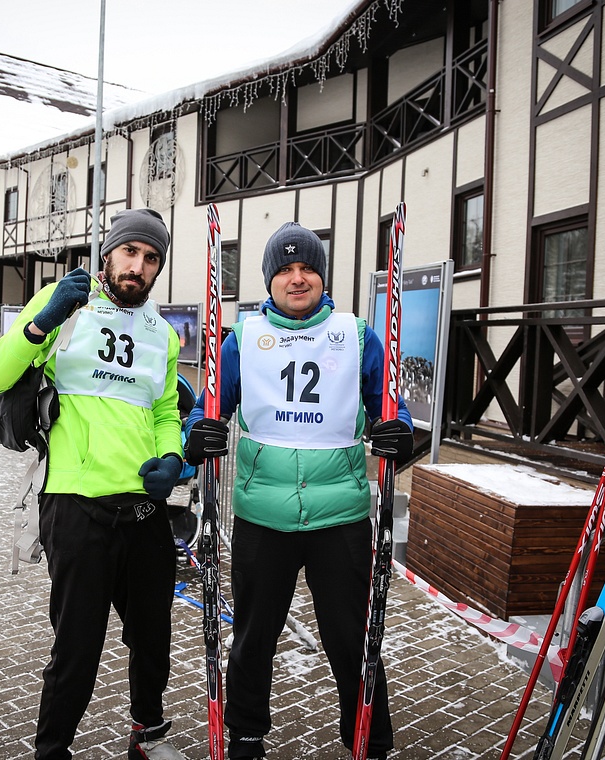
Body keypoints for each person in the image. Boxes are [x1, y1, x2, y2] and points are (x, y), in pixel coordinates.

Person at [184, 222, 415, 760]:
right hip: (264, 515)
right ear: (269, 280)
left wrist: (398, 431)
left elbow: (390, 406)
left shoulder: (355, 334)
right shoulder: (242, 338)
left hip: (342, 516)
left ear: (321, 275)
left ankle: (369, 741)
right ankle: (244, 736)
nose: (296, 278)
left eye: (306, 267)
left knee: (353, 640)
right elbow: (208, 408)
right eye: (284, 270)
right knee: (252, 636)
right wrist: (200, 433)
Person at [0, 208, 185, 760]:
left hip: (143, 508)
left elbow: (166, 410)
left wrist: (171, 456)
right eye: (129, 252)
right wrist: (42, 321)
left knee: (152, 640)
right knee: (77, 646)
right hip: (75, 504)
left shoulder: (161, 334)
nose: (137, 266)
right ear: (108, 252)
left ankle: (148, 734)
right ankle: (52, 750)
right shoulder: (66, 303)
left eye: (150, 258)